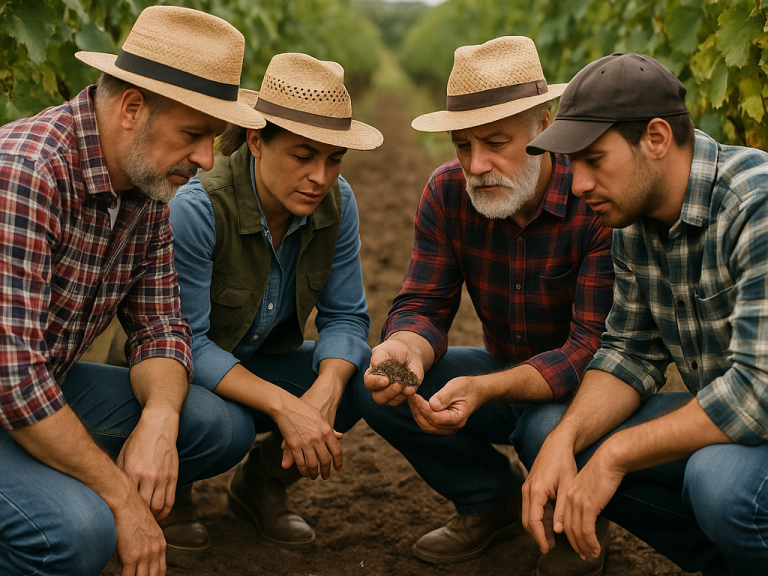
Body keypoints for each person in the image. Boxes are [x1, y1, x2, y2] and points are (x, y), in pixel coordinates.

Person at [0, 6, 266, 576]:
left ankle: (50, 484)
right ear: (132, 108)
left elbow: (162, 328)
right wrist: (121, 497)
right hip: (13, 390)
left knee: (217, 426)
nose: (206, 159)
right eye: (194, 135)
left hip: (40, 385)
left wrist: (159, 422)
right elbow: (15, 382)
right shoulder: (27, 174)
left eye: (213, 139)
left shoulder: (145, 185)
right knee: (80, 535)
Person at [358, 36, 615, 575]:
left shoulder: (593, 200)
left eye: (496, 142)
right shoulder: (448, 193)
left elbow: (589, 350)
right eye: (461, 145)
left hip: (584, 390)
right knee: (383, 384)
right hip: (502, 372)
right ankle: (489, 501)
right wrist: (406, 346)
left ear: (543, 127)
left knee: (543, 429)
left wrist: (485, 389)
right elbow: (423, 302)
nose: (477, 165)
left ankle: (578, 520)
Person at [520, 52, 768, 576]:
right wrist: (564, 441)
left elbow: (756, 393)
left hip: (755, 417)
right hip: (741, 429)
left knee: (717, 481)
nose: (577, 184)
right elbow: (630, 353)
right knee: (549, 432)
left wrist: (617, 454)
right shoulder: (631, 222)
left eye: (593, 160)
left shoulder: (755, 203)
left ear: (655, 138)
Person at [167, 52, 383, 552]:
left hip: (262, 360)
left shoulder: (337, 203)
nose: (320, 177)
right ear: (257, 141)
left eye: (334, 159)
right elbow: (186, 343)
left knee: (360, 376)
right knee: (224, 426)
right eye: (304, 156)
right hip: (184, 378)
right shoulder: (197, 210)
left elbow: (346, 316)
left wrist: (326, 390)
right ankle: (172, 488)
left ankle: (261, 483)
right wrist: (287, 406)